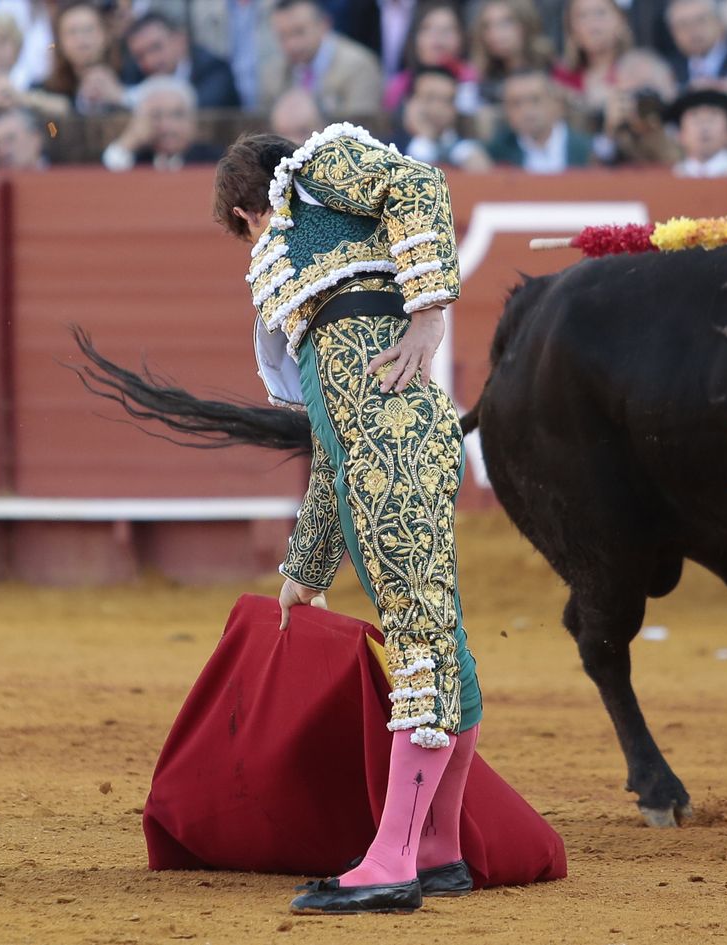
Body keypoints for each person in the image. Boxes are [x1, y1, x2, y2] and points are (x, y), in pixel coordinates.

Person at [213, 121, 483, 914]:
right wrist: (304, 569)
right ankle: (438, 849)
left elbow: (420, 181)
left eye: (247, 231)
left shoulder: (312, 168)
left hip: (399, 438)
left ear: (247, 209)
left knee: (422, 645)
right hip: (379, 449)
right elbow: (334, 454)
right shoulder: (317, 327)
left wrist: (429, 312)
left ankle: (392, 860)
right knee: (439, 639)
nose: (256, 249)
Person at [260, 0, 385, 116]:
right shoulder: (272, 74)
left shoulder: (359, 67)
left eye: (299, 32)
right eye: (283, 36)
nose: (292, 44)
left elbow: (362, 126)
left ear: (324, 25)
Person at [101, 76, 225, 171]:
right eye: (156, 116)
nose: (167, 126)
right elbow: (107, 174)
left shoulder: (215, 160)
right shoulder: (136, 160)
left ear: (192, 120)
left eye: (177, 115)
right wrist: (130, 140)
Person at [122, 12, 242, 109]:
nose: (150, 61)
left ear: (180, 41)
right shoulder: (136, 72)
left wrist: (126, 98)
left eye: (156, 47)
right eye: (140, 56)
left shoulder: (214, 69)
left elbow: (193, 109)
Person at [487, 68, 594, 170]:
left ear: (555, 102)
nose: (526, 111)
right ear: (506, 110)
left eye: (535, 100)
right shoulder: (496, 153)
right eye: (516, 103)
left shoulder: (587, 150)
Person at [383, 1, 480, 113]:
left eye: (447, 30)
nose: (438, 37)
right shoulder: (399, 87)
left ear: (462, 38)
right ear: (415, 38)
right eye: (428, 29)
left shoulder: (473, 82)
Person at [34, 0, 125, 117]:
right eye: (72, 32)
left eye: (88, 30)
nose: (81, 40)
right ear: (60, 43)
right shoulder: (46, 90)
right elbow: (49, 126)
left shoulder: (129, 75)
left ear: (106, 35)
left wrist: (121, 98)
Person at [393, 65, 494, 169]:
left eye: (447, 101)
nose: (438, 108)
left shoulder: (463, 149)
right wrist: (423, 139)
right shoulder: (388, 148)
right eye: (430, 98)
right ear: (409, 101)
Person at [594, 47, 679, 164]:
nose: (643, 103)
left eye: (649, 91)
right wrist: (610, 132)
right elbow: (596, 166)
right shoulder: (605, 121)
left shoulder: (680, 120)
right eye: (636, 93)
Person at [469, 0, 556, 105]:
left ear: (525, 24)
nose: (494, 33)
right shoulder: (482, 81)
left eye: (505, 23)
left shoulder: (552, 71)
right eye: (487, 26)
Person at [554, 0, 634, 111]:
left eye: (600, 13)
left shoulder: (639, 72)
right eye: (582, 16)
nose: (592, 24)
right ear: (571, 29)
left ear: (621, 20)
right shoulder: (563, 78)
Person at [663, 0, 727, 86]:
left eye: (700, 20)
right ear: (672, 33)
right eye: (683, 25)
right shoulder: (670, 72)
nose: (692, 30)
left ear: (719, 22)